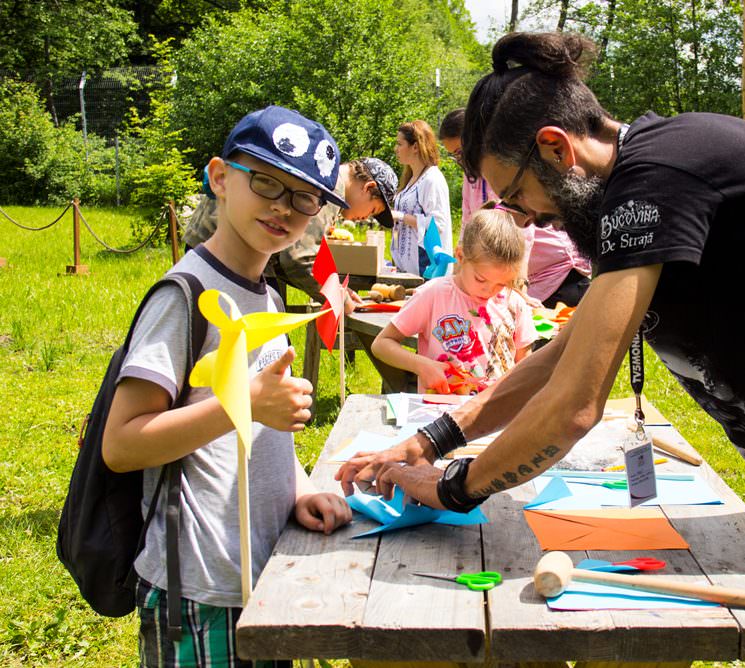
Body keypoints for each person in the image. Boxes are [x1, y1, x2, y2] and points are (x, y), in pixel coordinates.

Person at [338, 33, 745, 668]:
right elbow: (567, 352)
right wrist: (436, 438)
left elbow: (573, 406)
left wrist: (453, 487)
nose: (527, 220)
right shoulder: (660, 163)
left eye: (517, 197)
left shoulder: (654, 184)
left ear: (555, 147)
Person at [103, 105, 354, 667]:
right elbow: (122, 444)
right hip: (199, 586)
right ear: (219, 177)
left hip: (260, 576)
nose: (283, 207)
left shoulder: (265, 296)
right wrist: (243, 403)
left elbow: (259, 436)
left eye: (304, 197)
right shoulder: (184, 296)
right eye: (266, 180)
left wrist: (302, 489)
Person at [371, 207, 537, 394]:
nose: (489, 290)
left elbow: (525, 365)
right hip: (442, 413)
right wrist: (422, 365)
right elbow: (381, 344)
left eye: (501, 284)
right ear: (460, 256)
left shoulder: (514, 303)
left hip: (496, 414)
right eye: (481, 279)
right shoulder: (433, 294)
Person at [183, 156, 398, 300]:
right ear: (368, 187)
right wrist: (337, 295)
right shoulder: (330, 188)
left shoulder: (326, 175)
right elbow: (298, 258)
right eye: (372, 210)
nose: (363, 218)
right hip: (226, 257)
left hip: (223, 249)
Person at [440, 108, 591, 308]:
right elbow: (468, 230)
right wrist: (455, 285)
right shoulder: (472, 178)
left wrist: (519, 287)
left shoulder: (505, 166)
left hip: (559, 274)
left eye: (460, 153)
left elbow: (520, 232)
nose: (460, 161)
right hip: (522, 278)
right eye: (454, 156)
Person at [388, 119, 453, 276]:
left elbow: (437, 225)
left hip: (426, 271)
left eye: (400, 144)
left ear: (415, 147)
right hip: (405, 269)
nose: (396, 149)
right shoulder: (410, 180)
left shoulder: (432, 179)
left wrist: (401, 217)